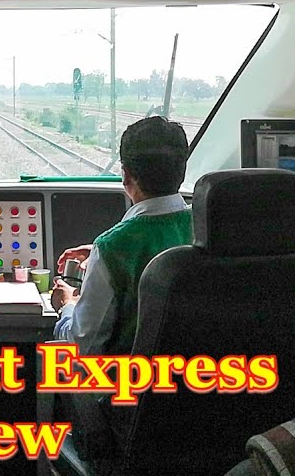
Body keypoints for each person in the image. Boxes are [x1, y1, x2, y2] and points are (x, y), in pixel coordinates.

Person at [51, 116, 193, 355]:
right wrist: (101, 256)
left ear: (126, 175)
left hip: (132, 377)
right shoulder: (210, 225)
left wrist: (66, 306)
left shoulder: (112, 248)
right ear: (182, 171)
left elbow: (83, 349)